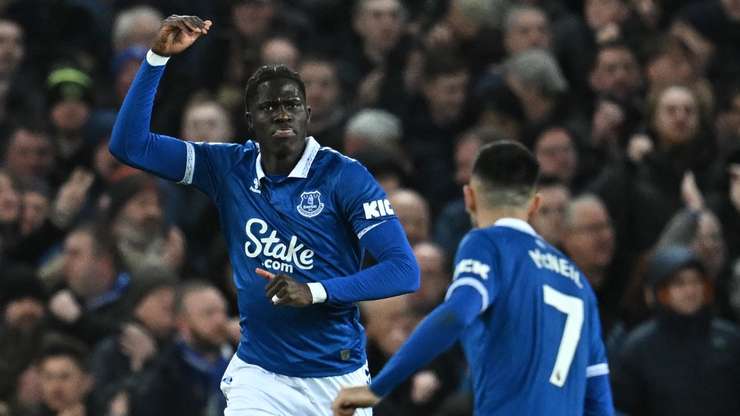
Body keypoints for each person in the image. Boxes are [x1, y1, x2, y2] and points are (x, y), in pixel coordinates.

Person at [109, 15, 419, 416]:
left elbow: (404, 271)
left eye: (291, 105)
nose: (282, 114)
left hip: (337, 378)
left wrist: (314, 291)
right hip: (260, 379)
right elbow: (130, 146)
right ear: (250, 120)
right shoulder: (226, 167)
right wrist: (156, 60)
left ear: (307, 113)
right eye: (269, 107)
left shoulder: (344, 176)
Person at [333, 141, 614, 415]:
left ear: (470, 198)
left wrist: (375, 389)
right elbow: (598, 391)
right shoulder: (576, 279)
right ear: (535, 205)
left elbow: (456, 314)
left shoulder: (488, 244)